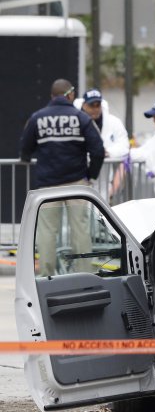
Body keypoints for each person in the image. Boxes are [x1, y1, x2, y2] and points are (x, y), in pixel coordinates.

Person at [18, 79, 105, 276]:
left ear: (52, 96)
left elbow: (25, 148)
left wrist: (25, 158)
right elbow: (98, 150)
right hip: (76, 184)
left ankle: (46, 277)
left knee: (47, 232)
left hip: (48, 185)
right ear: (70, 94)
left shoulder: (37, 118)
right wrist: (90, 175)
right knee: (80, 230)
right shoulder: (81, 118)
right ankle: (84, 275)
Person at [74, 88, 129, 158]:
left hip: (106, 167)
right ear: (84, 105)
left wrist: (108, 152)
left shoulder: (114, 122)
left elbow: (124, 145)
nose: (95, 109)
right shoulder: (73, 121)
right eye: (91, 105)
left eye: (98, 105)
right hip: (80, 167)